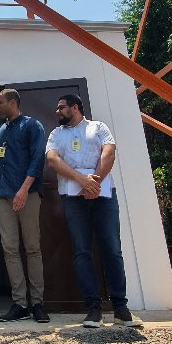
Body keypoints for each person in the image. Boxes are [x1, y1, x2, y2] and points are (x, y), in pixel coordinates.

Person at [45, 94, 143, 328]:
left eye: (61, 108)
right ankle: (93, 310)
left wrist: (94, 183)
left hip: (104, 195)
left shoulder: (99, 127)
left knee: (111, 248)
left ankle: (121, 308)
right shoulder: (56, 134)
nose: (57, 111)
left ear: (75, 107)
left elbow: (108, 152)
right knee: (81, 251)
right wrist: (81, 180)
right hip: (73, 198)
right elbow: (52, 160)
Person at [0, 89, 50, 323]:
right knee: (10, 249)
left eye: (0, 102)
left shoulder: (32, 126)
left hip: (27, 194)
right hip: (4, 198)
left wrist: (23, 189)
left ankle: (38, 303)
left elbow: (37, 158)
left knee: (32, 248)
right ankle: (20, 304)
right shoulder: (0, 130)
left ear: (13, 102)